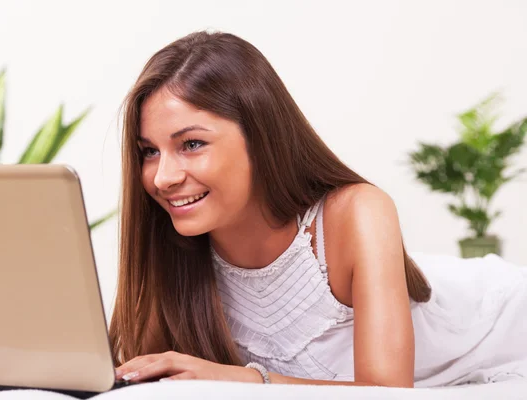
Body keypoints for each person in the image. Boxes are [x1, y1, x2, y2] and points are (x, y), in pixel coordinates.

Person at [109, 30, 527, 388]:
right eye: (148, 151)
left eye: (192, 144)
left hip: (503, 324)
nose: (162, 178)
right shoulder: (176, 251)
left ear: (260, 137)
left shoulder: (358, 213)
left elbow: (386, 392)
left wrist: (246, 380)